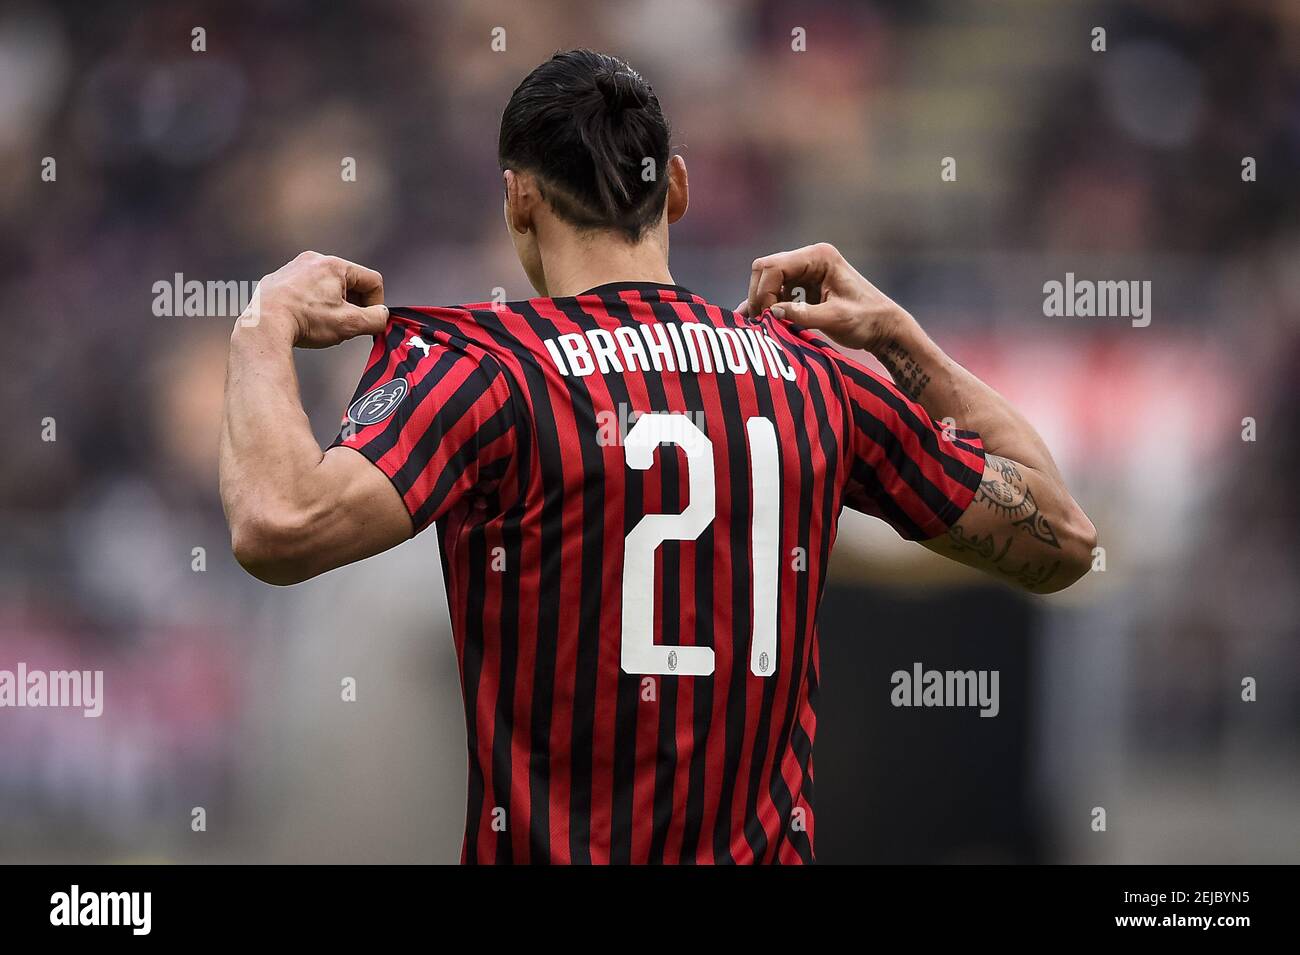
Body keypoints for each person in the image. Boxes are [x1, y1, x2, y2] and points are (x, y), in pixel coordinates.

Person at [219, 49, 1095, 863]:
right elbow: (1062, 541)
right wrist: (905, 342)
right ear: (674, 188)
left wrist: (265, 326)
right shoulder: (813, 378)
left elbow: (279, 525)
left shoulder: (482, 373)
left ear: (518, 199)